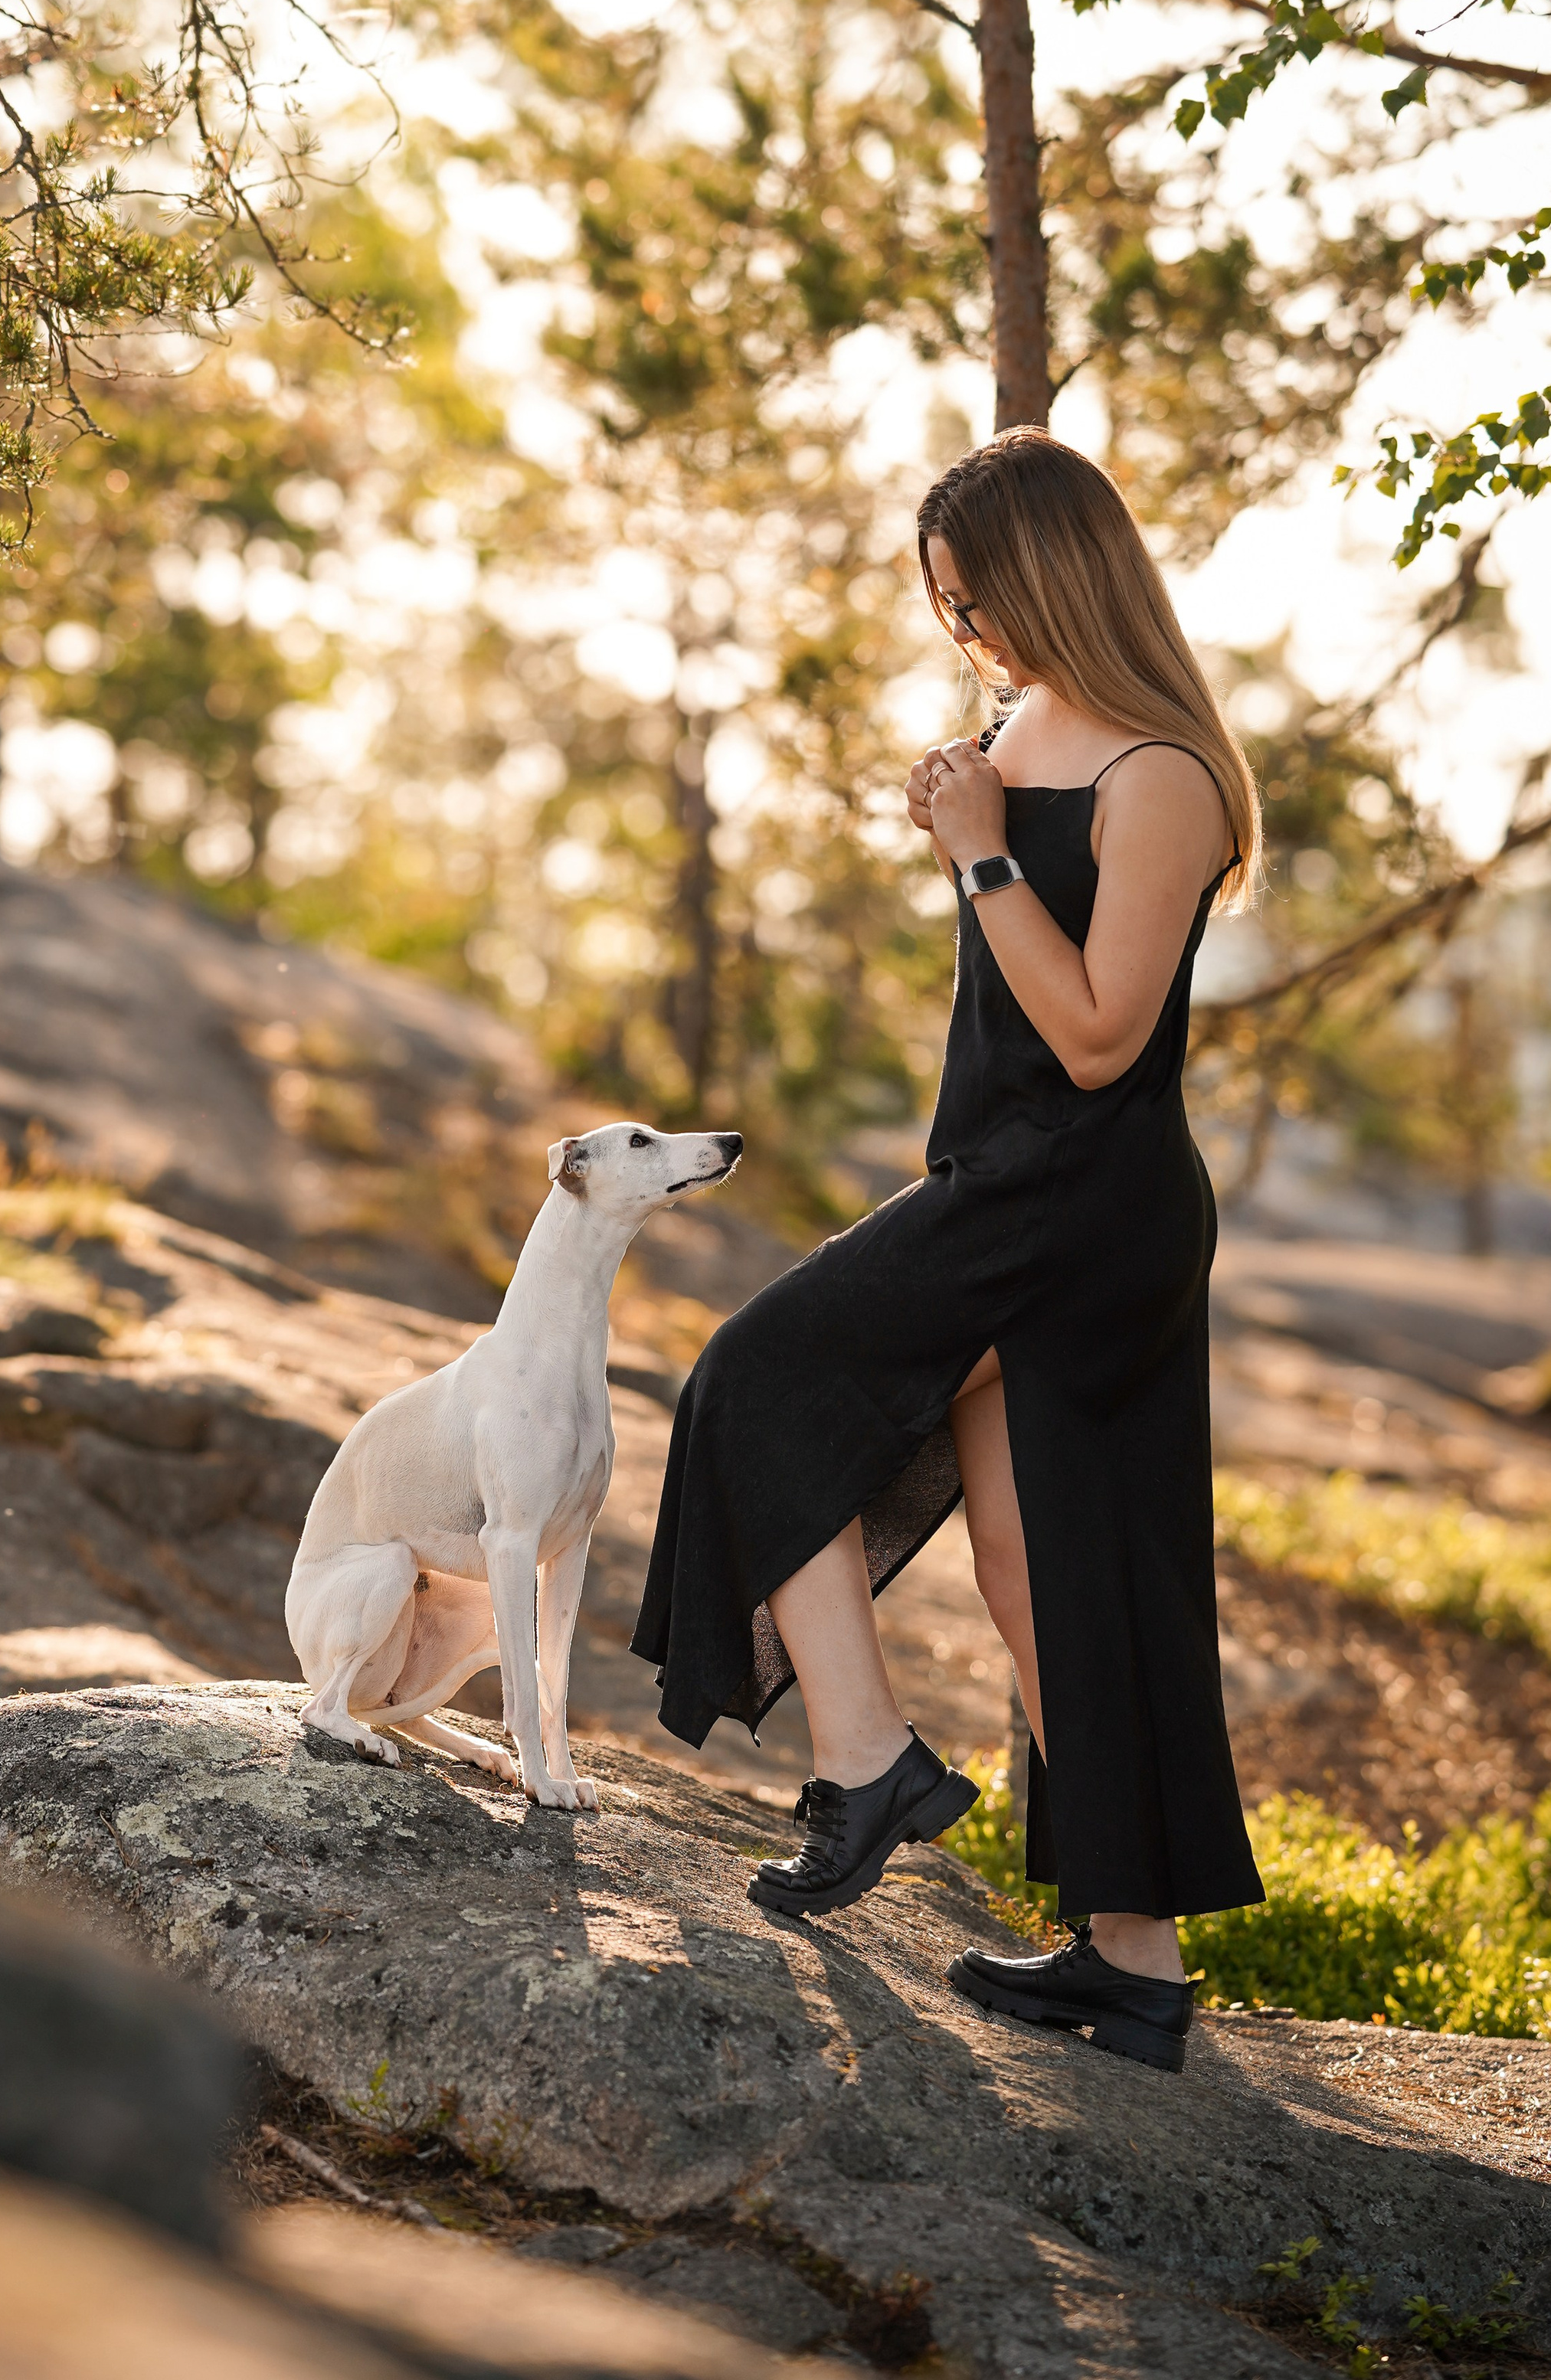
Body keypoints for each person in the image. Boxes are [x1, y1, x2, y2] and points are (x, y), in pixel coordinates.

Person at [630, 425, 1265, 2074]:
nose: (964, 632)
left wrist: (978, 845)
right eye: (943, 606)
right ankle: (1132, 1959)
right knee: (1026, 1562)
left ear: (1056, 576)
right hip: (1000, 1177)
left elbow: (1100, 1037)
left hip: (1079, 1198)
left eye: (977, 597)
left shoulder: (1163, 778)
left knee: (754, 1380)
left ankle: (866, 1765)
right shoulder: (1015, 726)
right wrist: (964, 806)